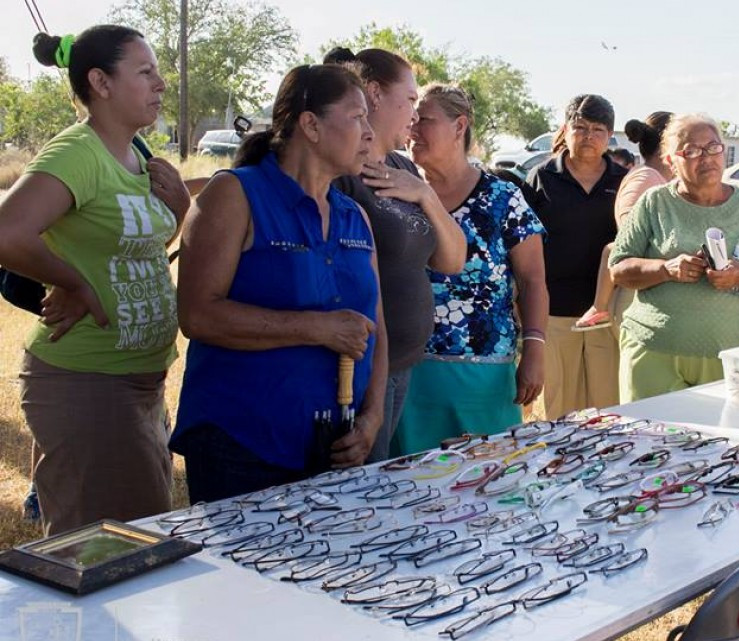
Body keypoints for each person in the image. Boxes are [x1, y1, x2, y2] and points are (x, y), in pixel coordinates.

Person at [0, 27, 188, 534]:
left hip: (139, 383)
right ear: (101, 83)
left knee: (137, 544)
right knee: (104, 554)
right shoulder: (78, 153)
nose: (161, 83)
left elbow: (134, 249)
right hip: (88, 384)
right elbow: (7, 231)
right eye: (145, 72)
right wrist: (76, 283)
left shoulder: (138, 154)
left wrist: (183, 208)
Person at [171, 64, 387, 503]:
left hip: (335, 448)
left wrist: (372, 418)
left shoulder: (354, 216)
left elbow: (376, 328)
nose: (370, 132)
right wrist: (317, 328)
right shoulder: (234, 195)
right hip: (241, 445)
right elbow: (197, 314)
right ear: (310, 124)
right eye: (357, 116)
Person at [323, 47, 467, 462]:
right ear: (374, 94)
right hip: (362, 368)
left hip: (404, 363)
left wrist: (425, 195)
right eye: (409, 100)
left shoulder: (404, 169)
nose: (415, 115)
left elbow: (451, 260)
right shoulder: (345, 175)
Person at [394, 84, 547, 454]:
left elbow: (532, 279)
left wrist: (535, 350)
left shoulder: (502, 198)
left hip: (483, 376)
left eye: (424, 120)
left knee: (485, 484)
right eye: (411, 120)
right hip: (408, 373)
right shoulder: (396, 190)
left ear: (459, 126)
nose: (412, 129)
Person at [610, 113, 739, 402]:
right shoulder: (654, 202)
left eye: (713, 147)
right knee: (650, 443)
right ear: (670, 161)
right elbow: (618, 268)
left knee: (725, 446)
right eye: (692, 150)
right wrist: (665, 269)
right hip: (654, 352)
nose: (706, 157)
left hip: (731, 357)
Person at [523, 95, 627, 419]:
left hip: (605, 312)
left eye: (598, 129)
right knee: (559, 411)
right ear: (565, 130)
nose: (588, 136)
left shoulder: (623, 181)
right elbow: (521, 245)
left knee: (607, 409)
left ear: (610, 136)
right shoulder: (541, 178)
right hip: (553, 312)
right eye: (580, 127)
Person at [574, 112, 674, 332]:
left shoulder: (657, 178)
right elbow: (626, 235)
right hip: (635, 300)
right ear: (668, 144)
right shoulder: (645, 178)